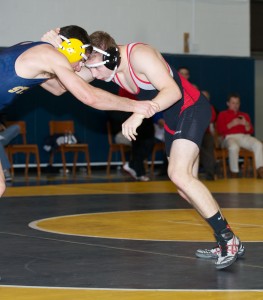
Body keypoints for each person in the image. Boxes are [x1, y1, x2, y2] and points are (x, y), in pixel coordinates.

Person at [45, 30, 245, 269]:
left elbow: (173, 92)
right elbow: (58, 88)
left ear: (110, 57)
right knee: (185, 187)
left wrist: (139, 113)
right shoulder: (101, 64)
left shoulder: (140, 55)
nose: (94, 75)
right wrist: (45, 53)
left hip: (190, 108)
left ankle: (227, 239)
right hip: (173, 119)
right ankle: (228, 239)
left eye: (96, 69)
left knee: (178, 175)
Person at [0, 25, 158, 197]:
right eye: (82, 60)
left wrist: (103, 63)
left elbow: (58, 88)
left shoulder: (38, 54)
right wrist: (136, 105)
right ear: (71, 48)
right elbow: (90, 97)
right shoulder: (49, 56)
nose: (78, 67)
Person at [216, 93, 263, 178]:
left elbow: (251, 131)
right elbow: (219, 130)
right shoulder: (222, 114)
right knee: (233, 147)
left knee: (258, 144)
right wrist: (231, 124)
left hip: (244, 136)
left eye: (237, 103)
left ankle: (260, 169)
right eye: (233, 103)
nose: (235, 105)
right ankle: (234, 172)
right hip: (229, 137)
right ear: (228, 103)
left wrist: (246, 125)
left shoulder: (244, 115)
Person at [199, 90, 217, 180]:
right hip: (194, 133)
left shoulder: (210, 108)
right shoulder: (193, 106)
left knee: (208, 144)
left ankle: (210, 172)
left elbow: (211, 118)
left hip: (205, 133)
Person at [0, 115, 20, 181]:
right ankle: (5, 171)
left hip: (2, 136)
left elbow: (2, 125)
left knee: (16, 127)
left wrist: (1, 125)